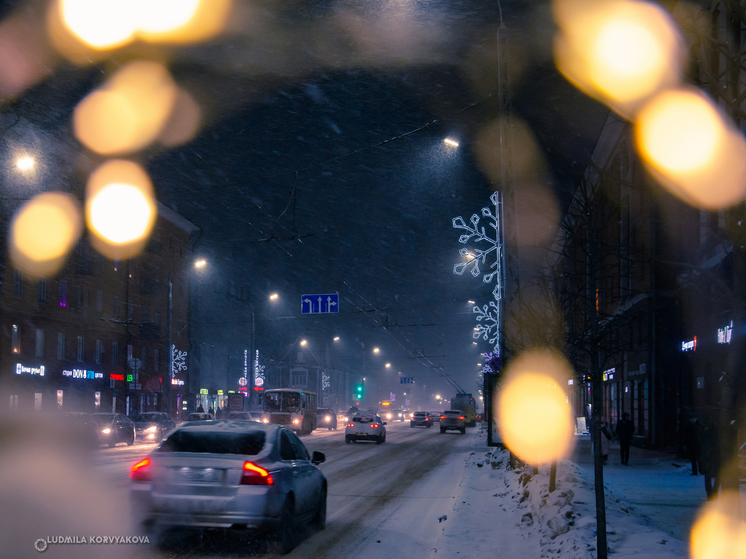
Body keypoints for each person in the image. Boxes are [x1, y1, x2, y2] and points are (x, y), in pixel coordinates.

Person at [699, 419, 720, 499]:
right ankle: (714, 492)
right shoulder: (716, 433)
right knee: (717, 475)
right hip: (716, 457)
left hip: (708, 457)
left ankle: (710, 493)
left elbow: (703, 445)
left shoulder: (706, 434)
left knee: (708, 476)